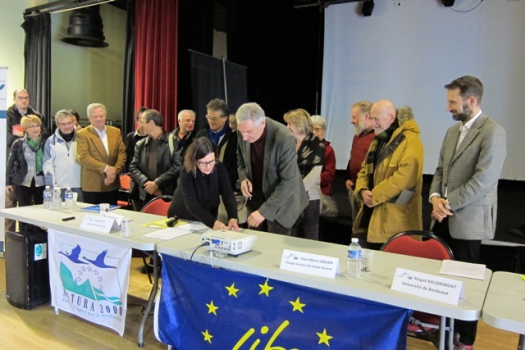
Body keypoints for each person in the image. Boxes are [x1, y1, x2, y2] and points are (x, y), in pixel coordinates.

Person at [430, 76, 507, 350]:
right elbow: (440, 171)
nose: (448, 107)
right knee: (443, 278)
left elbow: (483, 180)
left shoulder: (492, 132)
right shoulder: (452, 132)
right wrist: (435, 197)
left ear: (471, 101)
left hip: (468, 220)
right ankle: (444, 332)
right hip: (442, 216)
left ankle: (466, 340)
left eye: (453, 102)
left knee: (467, 284)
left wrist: (447, 203)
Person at [353, 100, 424, 250]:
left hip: (396, 222)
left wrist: (374, 196)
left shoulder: (410, 141)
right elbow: (363, 170)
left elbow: (405, 178)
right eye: (371, 118)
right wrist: (362, 191)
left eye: (376, 119)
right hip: (372, 216)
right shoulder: (378, 140)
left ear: (391, 117)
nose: (372, 123)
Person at [236, 102, 308, 235]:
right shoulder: (243, 130)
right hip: (258, 197)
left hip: (283, 202)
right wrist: (244, 178)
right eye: (241, 132)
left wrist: (264, 211)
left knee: (275, 248)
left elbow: (289, 182)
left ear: (262, 123)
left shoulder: (284, 137)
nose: (244, 137)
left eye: (249, 132)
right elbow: (241, 161)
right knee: (254, 242)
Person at [167, 137, 239, 231]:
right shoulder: (187, 171)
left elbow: (228, 194)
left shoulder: (219, 167)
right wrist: (212, 222)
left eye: (211, 161)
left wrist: (233, 217)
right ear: (194, 160)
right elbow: (191, 203)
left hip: (208, 215)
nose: (208, 166)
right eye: (203, 163)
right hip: (184, 216)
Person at [5, 89, 47, 232]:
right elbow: (8, 144)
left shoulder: (44, 141)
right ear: (15, 99)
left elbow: (46, 133)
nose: (24, 100)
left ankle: (38, 239)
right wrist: (8, 181)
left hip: (41, 180)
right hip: (21, 178)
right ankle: (18, 242)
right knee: (17, 210)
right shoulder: (8, 116)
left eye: (26, 98)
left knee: (41, 212)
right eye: (21, 98)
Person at [284, 109, 325, 240]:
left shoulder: (317, 144)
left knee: (310, 236)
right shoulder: (289, 143)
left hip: (309, 197)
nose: (287, 127)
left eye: (290, 123)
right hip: (290, 196)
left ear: (299, 124)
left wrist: (296, 190)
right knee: (292, 235)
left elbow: (314, 174)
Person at [129, 109, 181, 210]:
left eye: (142, 121)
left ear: (152, 123)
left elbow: (177, 167)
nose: (140, 125)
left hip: (166, 193)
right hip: (145, 194)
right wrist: (147, 184)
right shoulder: (140, 144)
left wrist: (157, 183)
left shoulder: (173, 141)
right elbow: (133, 167)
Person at [77, 103, 126, 205]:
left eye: (101, 116)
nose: (99, 119)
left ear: (105, 116)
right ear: (89, 118)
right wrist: (106, 168)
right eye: (95, 117)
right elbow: (83, 157)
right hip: (93, 185)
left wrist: (114, 172)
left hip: (112, 183)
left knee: (112, 216)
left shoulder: (116, 132)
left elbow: (122, 153)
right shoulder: (83, 134)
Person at [196, 99, 238, 190]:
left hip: (225, 188)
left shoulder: (235, 138)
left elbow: (237, 166)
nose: (210, 121)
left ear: (225, 118)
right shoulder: (201, 135)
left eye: (214, 118)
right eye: (208, 117)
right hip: (202, 187)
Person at [42, 109, 83, 201]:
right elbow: (47, 165)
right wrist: (52, 186)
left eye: (69, 123)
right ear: (57, 125)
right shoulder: (51, 141)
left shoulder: (82, 138)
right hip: (60, 187)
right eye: (63, 124)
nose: (67, 126)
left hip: (80, 186)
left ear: (73, 122)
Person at [346, 101, 375, 227]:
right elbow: (352, 158)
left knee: (365, 228)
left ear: (366, 116)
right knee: (356, 227)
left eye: (354, 117)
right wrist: (348, 177)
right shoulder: (357, 136)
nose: (351, 121)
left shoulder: (376, 137)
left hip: (367, 193)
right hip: (354, 190)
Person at [311, 115, 336, 198]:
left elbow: (329, 175)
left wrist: (310, 179)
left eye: (317, 129)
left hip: (321, 193)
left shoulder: (329, 150)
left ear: (323, 132)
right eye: (311, 129)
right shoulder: (301, 149)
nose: (314, 132)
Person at [124, 107, 148, 172]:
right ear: (136, 121)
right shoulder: (130, 136)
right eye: (141, 120)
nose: (143, 124)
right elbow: (128, 156)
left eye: (146, 121)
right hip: (134, 171)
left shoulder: (152, 137)